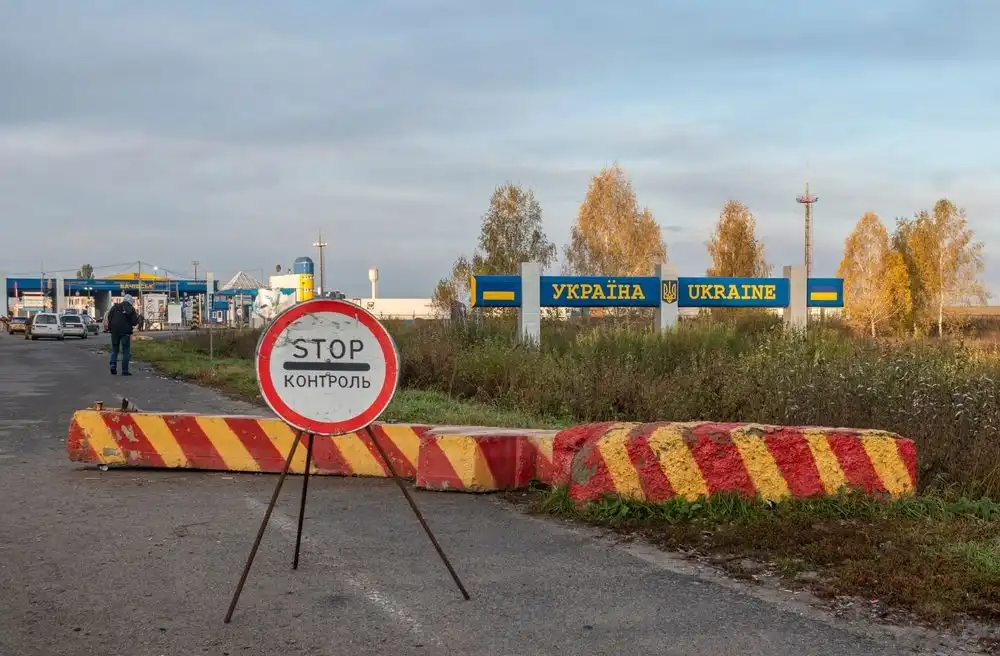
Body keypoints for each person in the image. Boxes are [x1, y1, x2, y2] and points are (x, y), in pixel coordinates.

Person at [106, 294, 141, 376]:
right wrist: (138, 320)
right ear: (131, 301)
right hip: (126, 332)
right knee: (126, 351)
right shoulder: (131, 309)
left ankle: (113, 365)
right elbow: (134, 322)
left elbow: (109, 317)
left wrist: (111, 326)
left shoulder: (115, 307)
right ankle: (125, 370)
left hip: (114, 331)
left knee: (115, 349)